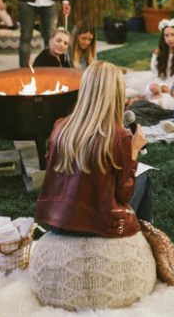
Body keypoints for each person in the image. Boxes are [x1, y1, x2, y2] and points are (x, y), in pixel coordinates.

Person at [34, 61, 152, 237]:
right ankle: (144, 237)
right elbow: (124, 195)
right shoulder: (119, 136)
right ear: (116, 92)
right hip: (99, 228)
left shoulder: (61, 126)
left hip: (58, 222)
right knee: (144, 178)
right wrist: (134, 150)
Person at [143, 17, 174, 110]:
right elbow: (155, 75)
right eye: (167, 35)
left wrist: (170, 89)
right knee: (150, 88)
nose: (170, 38)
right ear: (163, 37)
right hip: (164, 83)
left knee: (171, 99)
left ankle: (160, 101)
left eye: (173, 35)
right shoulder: (159, 53)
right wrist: (161, 86)